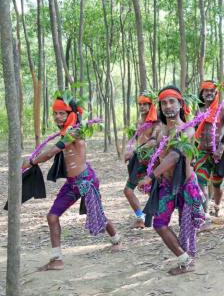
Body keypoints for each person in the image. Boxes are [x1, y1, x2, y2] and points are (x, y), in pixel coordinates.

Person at [21, 94, 121, 271]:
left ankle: (116, 240)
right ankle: (57, 259)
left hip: (86, 181)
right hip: (72, 183)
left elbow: (51, 152)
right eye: (55, 114)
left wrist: (31, 162)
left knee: (97, 214)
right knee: (52, 217)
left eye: (62, 113)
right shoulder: (66, 132)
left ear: (71, 115)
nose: (57, 117)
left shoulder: (75, 132)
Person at [138, 86, 205, 275]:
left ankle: (187, 264)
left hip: (185, 185)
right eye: (164, 102)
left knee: (187, 228)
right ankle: (184, 258)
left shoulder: (189, 130)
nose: (168, 106)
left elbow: (174, 157)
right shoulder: (160, 130)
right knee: (160, 224)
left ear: (180, 104)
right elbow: (155, 150)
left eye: (171, 101)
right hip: (166, 185)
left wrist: (150, 176)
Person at [194, 80, 224, 218]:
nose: (209, 93)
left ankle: (217, 206)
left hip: (218, 153)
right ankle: (204, 213)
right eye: (205, 90)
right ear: (201, 93)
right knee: (200, 180)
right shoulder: (199, 111)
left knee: (217, 184)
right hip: (202, 152)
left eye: (211, 91)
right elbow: (194, 132)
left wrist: (222, 146)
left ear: (216, 93)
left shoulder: (222, 109)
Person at [123, 92, 161, 228]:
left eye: (146, 104)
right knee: (128, 190)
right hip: (138, 161)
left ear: (152, 105)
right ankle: (140, 217)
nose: (143, 107)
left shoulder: (157, 123)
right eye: (140, 104)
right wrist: (129, 150)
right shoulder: (139, 121)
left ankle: (160, 220)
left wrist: (134, 152)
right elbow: (136, 139)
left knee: (154, 192)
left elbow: (153, 142)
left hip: (151, 163)